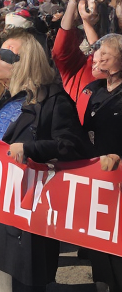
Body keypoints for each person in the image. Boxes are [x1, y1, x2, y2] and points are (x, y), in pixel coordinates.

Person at [0, 29, 92, 292]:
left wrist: (32, 149)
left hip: (19, 211)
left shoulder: (53, 99)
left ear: (26, 61)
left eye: (6, 54)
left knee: (5, 282)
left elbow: (74, 146)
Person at [78, 33, 122, 292]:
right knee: (98, 242)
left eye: (105, 55)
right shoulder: (94, 90)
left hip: (118, 180)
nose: (97, 59)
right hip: (96, 177)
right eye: (97, 54)